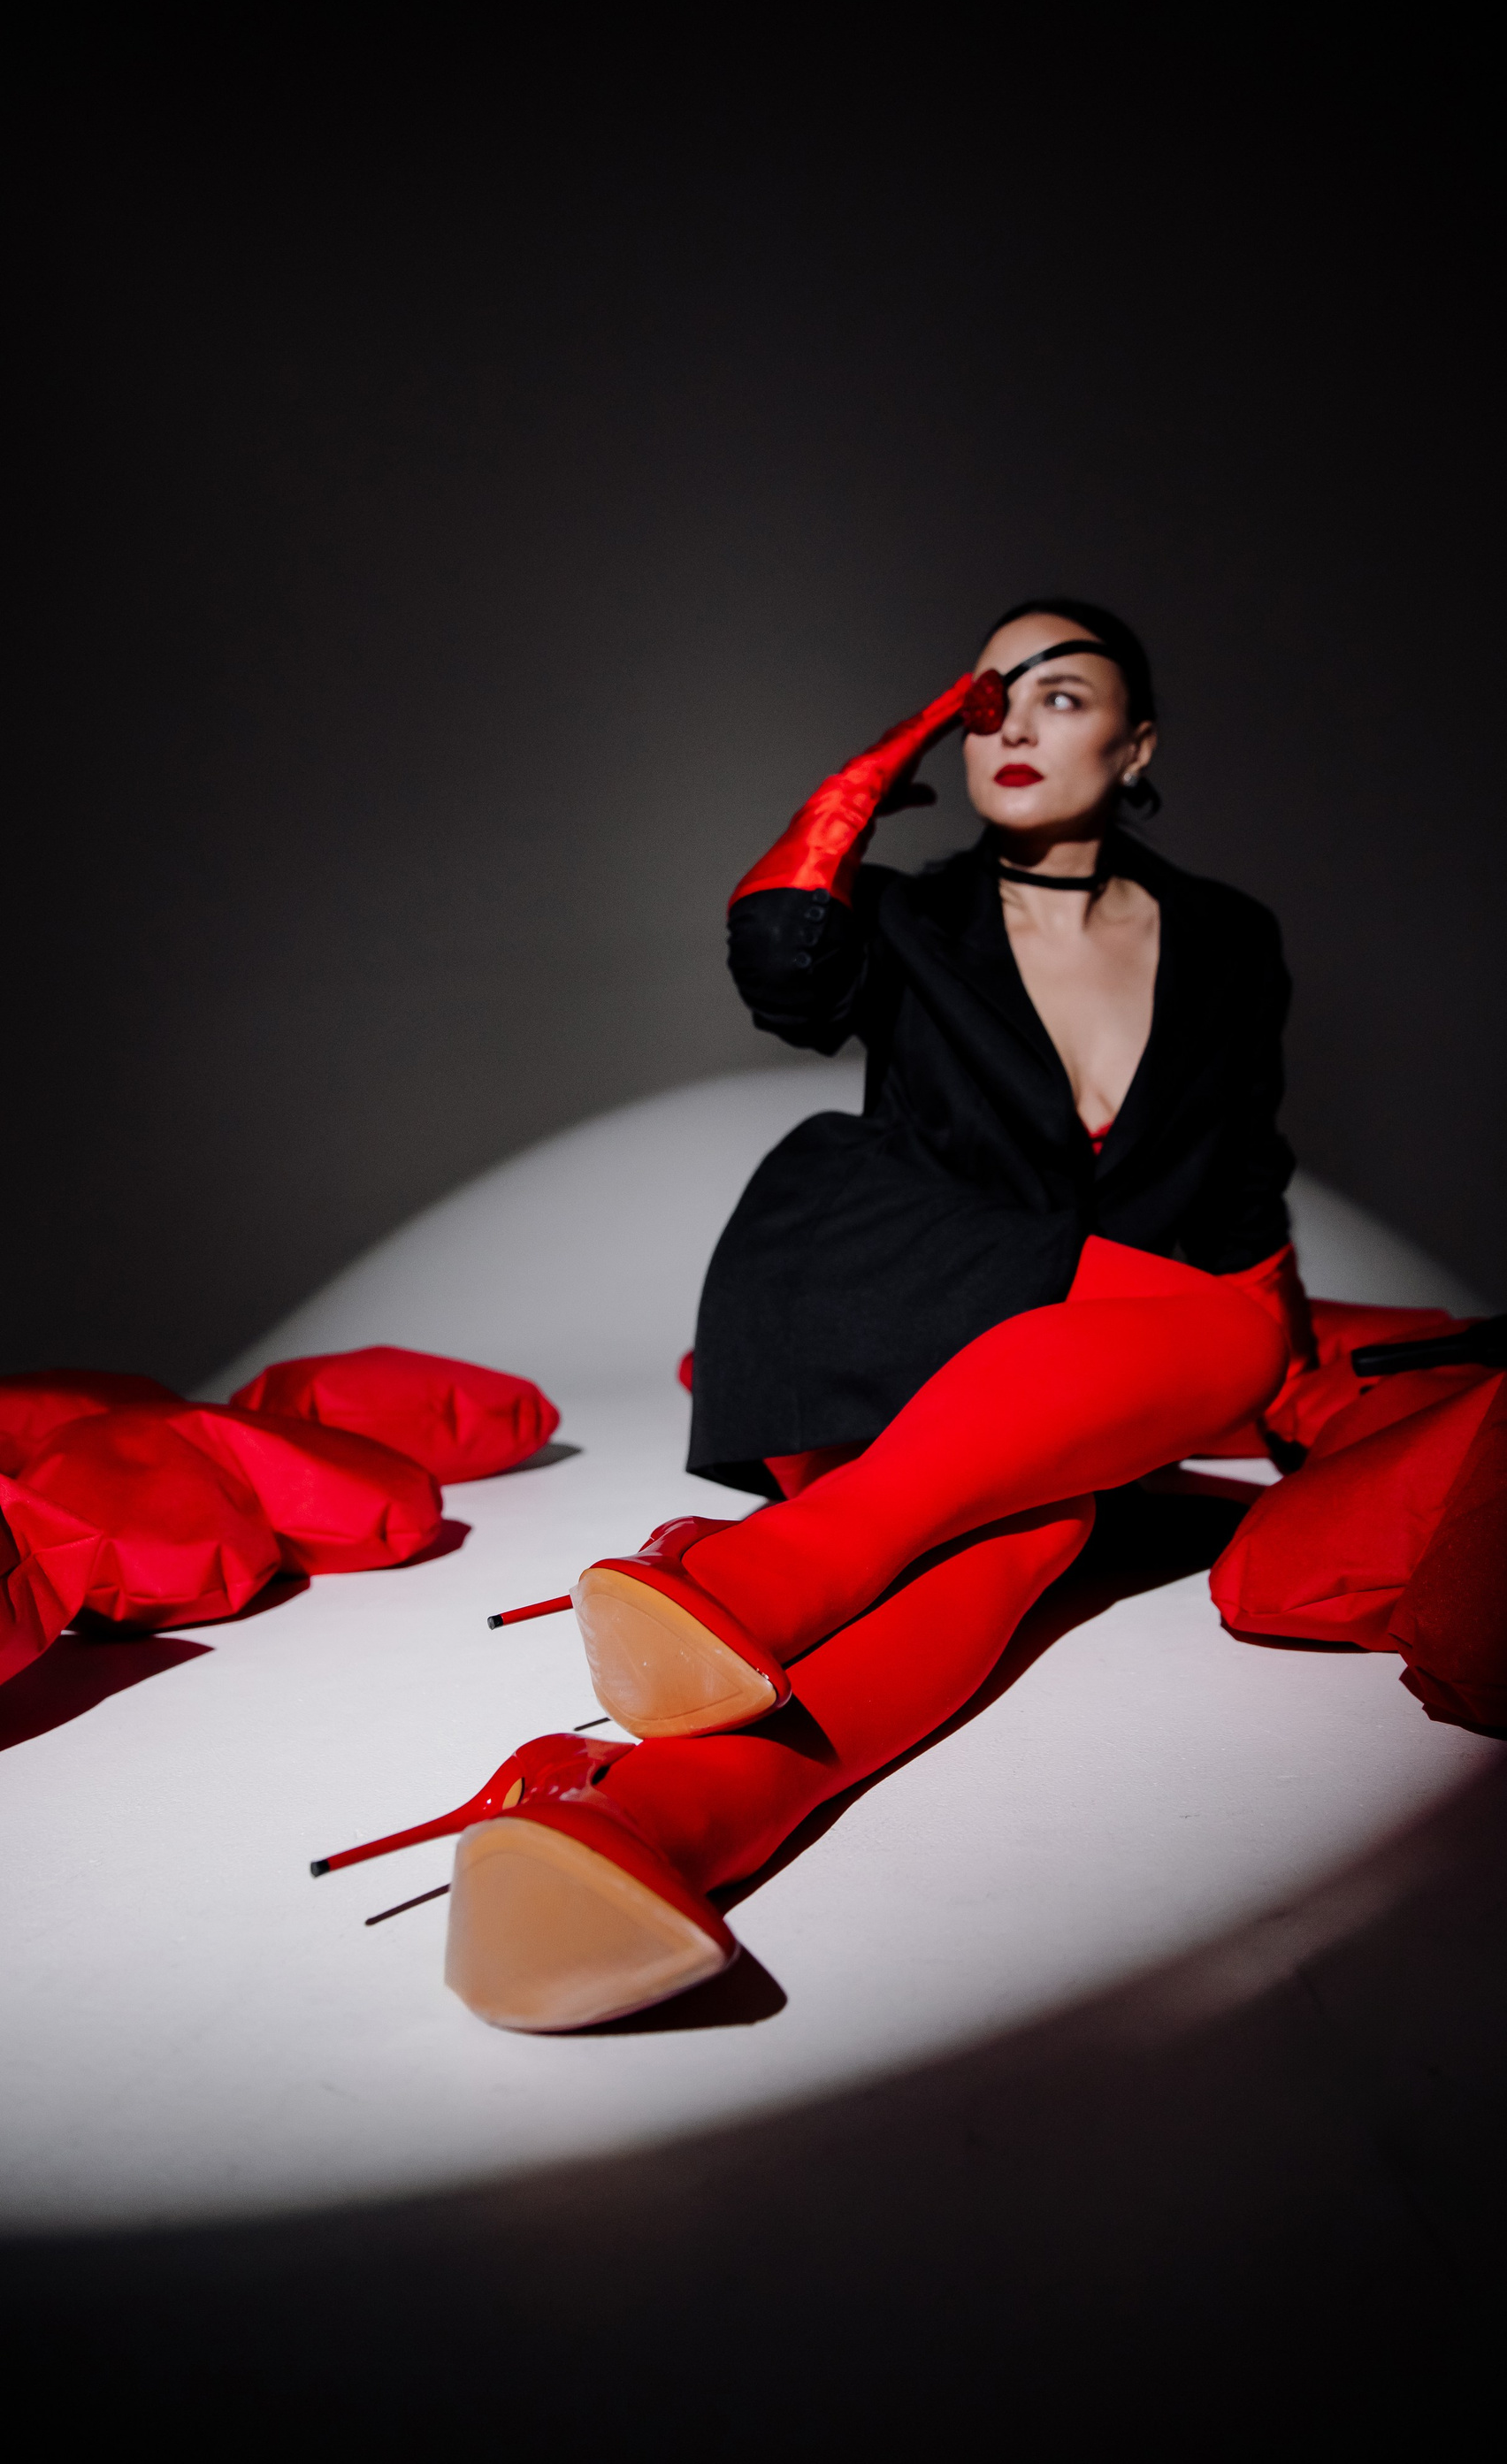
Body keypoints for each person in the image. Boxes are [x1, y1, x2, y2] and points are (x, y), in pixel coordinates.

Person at [333, 601, 1319, 2031]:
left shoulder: (1229, 937)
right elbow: (781, 959)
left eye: (1059, 695)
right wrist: (870, 771)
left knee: (1056, 1515)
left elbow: (1239, 1175)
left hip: (1067, 1357)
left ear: (1139, 742)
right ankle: (756, 1600)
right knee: (1167, 1400)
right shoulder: (906, 916)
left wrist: (1266, 1382)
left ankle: (647, 1815)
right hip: (876, 1287)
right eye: (984, 700)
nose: (1010, 724)